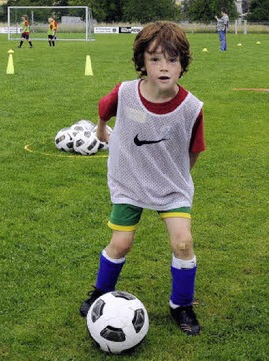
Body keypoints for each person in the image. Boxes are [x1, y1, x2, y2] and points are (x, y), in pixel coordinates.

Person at [79, 21, 205, 336]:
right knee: (121, 244)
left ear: (183, 64)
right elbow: (104, 109)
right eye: (155, 59)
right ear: (142, 62)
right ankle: (100, 293)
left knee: (183, 242)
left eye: (172, 60)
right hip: (129, 182)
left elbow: (195, 150)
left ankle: (182, 305)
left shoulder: (191, 108)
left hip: (171, 187)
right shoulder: (125, 93)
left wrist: (178, 177)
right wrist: (100, 131)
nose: (164, 67)